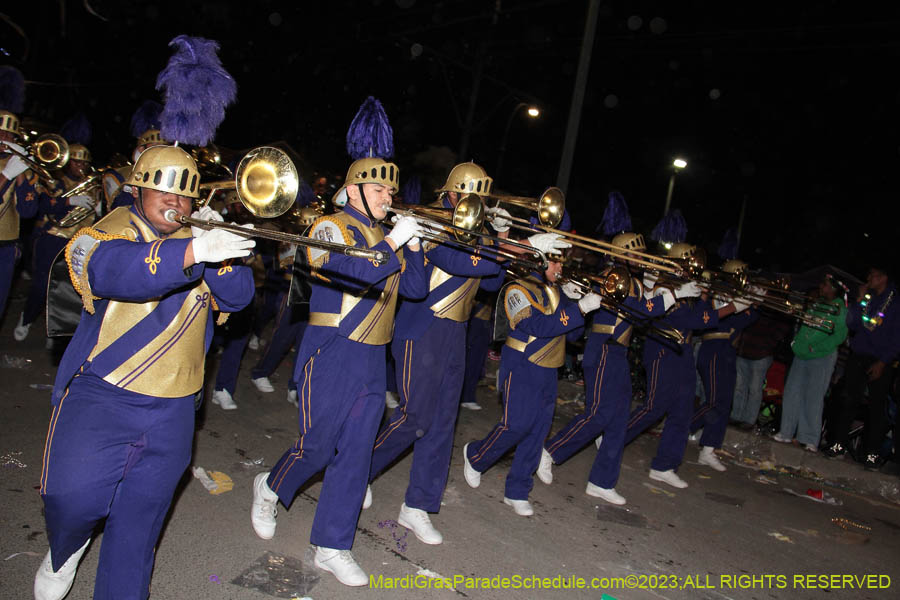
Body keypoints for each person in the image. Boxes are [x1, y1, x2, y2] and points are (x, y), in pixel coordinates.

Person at [34, 145, 255, 600]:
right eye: (163, 190)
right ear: (137, 188)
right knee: (71, 502)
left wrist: (221, 247)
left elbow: (238, 299)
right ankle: (67, 548)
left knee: (140, 526)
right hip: (103, 394)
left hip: (175, 405)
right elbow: (118, 272)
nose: (176, 203)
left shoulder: (199, 232)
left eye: (186, 196)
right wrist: (195, 249)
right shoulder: (106, 230)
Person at [249, 156, 428, 587]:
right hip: (332, 349)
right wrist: (392, 245)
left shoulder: (388, 236)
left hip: (372, 357)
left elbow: (418, 291)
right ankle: (270, 486)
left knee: (355, 454)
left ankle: (332, 545)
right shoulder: (327, 227)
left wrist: (415, 247)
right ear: (354, 191)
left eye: (391, 191)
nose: (389, 197)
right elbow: (347, 273)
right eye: (380, 189)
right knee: (318, 447)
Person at [537, 232, 672, 505]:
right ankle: (550, 451)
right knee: (598, 415)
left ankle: (602, 481)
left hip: (618, 352)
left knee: (620, 420)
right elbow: (638, 309)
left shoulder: (631, 280)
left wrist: (650, 286)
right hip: (603, 350)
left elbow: (639, 307)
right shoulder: (613, 277)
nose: (640, 259)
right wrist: (665, 299)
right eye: (635, 254)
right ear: (620, 254)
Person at [463, 258, 599, 516]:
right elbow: (536, 326)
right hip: (522, 364)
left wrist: (573, 304)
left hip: (550, 368)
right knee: (516, 425)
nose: (561, 267)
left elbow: (571, 336)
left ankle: (517, 490)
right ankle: (475, 455)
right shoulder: (517, 289)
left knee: (538, 430)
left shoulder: (557, 291)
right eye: (557, 261)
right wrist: (578, 308)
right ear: (540, 260)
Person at [624, 244, 747, 489]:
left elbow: (700, 316)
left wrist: (703, 297)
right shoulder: (663, 287)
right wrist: (731, 309)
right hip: (663, 348)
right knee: (655, 407)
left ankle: (665, 466)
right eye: (688, 264)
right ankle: (613, 437)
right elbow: (687, 320)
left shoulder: (685, 288)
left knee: (682, 411)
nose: (692, 269)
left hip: (684, 351)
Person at [14, 143, 98, 342]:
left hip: (78, 241)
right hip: (52, 237)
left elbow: (92, 217)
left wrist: (99, 209)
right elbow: (43, 207)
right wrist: (69, 202)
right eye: (77, 162)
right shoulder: (55, 181)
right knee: (42, 285)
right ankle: (26, 319)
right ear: (68, 162)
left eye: (85, 163)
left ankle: (55, 328)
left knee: (67, 289)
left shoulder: (92, 184)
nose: (81, 166)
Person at [824, 265, 900, 469]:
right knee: (848, 400)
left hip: (881, 360)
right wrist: (860, 300)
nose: (868, 278)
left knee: (876, 408)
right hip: (859, 356)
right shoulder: (869, 298)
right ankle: (838, 445)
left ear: (883, 277)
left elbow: (896, 337)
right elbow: (854, 324)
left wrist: (883, 362)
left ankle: (872, 455)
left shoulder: (895, 301)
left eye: (872, 275)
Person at [689, 260, 760, 472]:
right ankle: (682, 426)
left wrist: (755, 303)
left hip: (727, 352)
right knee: (713, 401)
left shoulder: (734, 296)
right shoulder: (716, 294)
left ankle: (708, 450)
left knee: (724, 403)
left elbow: (747, 320)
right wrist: (741, 304)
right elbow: (720, 321)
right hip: (713, 349)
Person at [774, 276, 848, 451]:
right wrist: (796, 343)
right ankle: (786, 432)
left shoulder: (840, 309)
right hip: (802, 353)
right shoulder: (816, 304)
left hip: (822, 356)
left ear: (834, 289)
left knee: (813, 396)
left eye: (825, 285)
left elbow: (840, 335)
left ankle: (809, 438)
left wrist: (817, 348)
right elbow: (805, 326)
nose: (821, 287)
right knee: (792, 391)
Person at [0, 109, 38, 320]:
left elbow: (28, 211)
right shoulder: (8, 170)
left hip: (6, 246)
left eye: (10, 135)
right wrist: (6, 175)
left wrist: (22, 171)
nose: (5, 139)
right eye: (1, 133)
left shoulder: (15, 166)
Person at [729, 311, 793, 429]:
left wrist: (769, 343)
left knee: (754, 388)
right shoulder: (757, 307)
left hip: (762, 353)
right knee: (739, 386)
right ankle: (736, 416)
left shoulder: (777, 307)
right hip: (744, 350)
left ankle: (749, 420)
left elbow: (784, 327)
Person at [460, 295, 495, 410]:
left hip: (484, 327)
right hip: (475, 324)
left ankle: (468, 397)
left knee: (476, 365)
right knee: (468, 364)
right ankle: (464, 397)